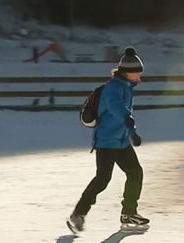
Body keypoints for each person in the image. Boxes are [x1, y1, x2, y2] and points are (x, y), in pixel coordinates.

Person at [67, 46, 149, 231]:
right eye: (136, 73)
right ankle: (78, 214)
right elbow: (116, 108)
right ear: (127, 73)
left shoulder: (127, 87)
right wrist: (129, 122)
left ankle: (129, 213)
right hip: (106, 142)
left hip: (120, 141)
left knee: (135, 172)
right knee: (102, 180)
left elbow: (124, 116)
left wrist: (131, 131)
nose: (139, 77)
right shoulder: (113, 88)